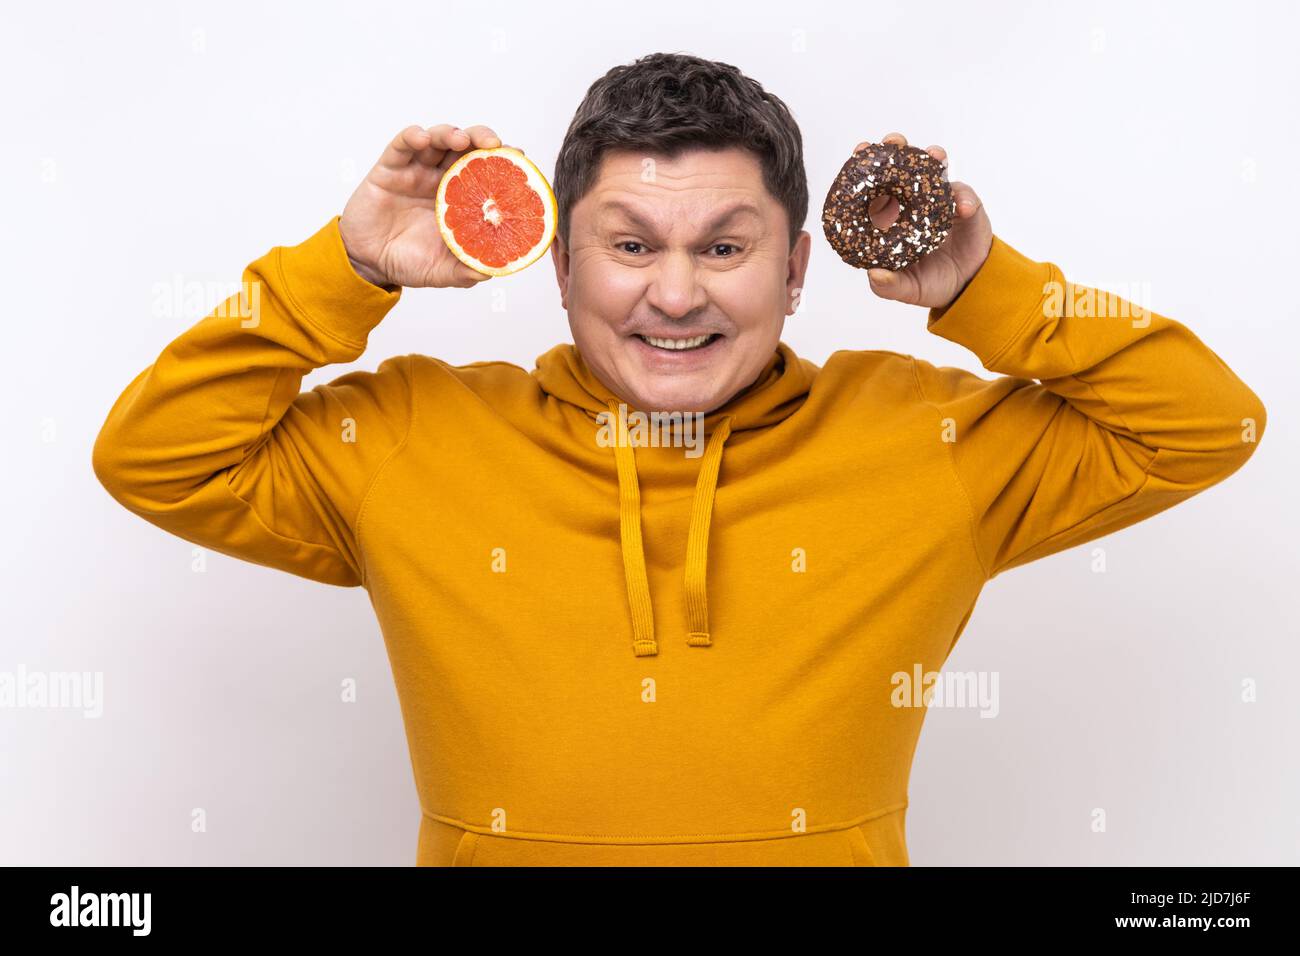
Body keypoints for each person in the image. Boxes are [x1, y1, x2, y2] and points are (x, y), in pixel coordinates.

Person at [92, 52, 1266, 866]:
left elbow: (1207, 419)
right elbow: (155, 456)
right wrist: (346, 267)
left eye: (724, 245)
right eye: (629, 243)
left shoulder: (930, 440)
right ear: (560, 267)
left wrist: (982, 289)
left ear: (797, 268)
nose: (674, 291)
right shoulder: (411, 434)